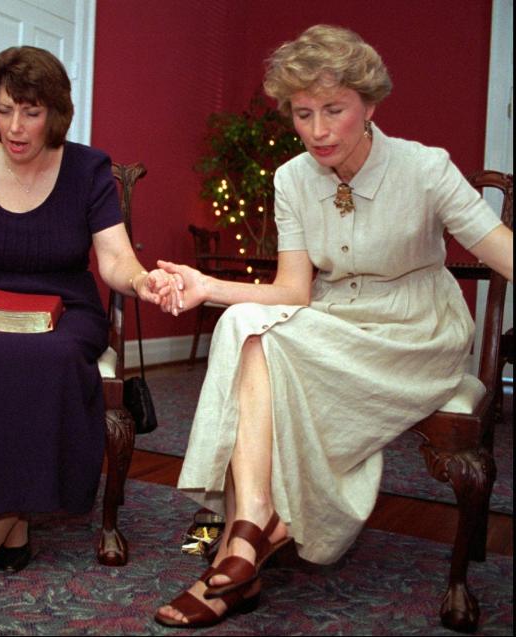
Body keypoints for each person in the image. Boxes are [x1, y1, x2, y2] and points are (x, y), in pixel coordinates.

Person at [153, 24, 513, 628]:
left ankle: (239, 548)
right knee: (245, 324)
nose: (317, 130)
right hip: (331, 318)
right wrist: (207, 287)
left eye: (334, 110)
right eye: (302, 113)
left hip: (414, 332)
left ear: (369, 105)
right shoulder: (292, 178)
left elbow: (501, 248)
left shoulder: (425, 169)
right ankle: (252, 528)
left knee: (257, 348)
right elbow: (292, 292)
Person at [0, 46, 176, 582]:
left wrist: (142, 281)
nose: (15, 127)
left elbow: (114, 259)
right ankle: (12, 522)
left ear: (55, 113)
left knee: (59, 354)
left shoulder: (88, 169)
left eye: (31, 112)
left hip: (68, 306)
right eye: (4, 110)